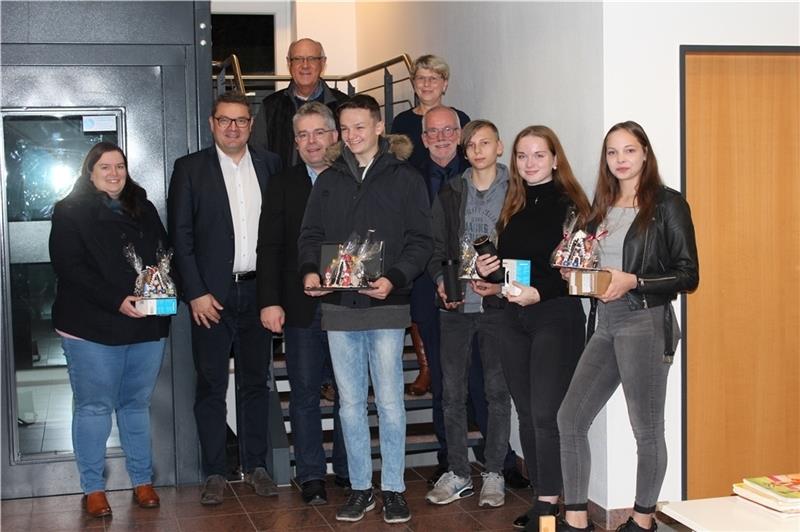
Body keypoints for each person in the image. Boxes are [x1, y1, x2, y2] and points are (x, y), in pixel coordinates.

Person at [556, 121, 699, 532]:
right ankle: (577, 518)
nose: (620, 160)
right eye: (612, 152)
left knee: (646, 428)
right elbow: (591, 266)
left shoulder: (668, 205)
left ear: (645, 155)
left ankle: (642, 519)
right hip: (606, 323)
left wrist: (633, 280)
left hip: (646, 321)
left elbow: (688, 275)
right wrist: (577, 273)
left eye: (629, 151)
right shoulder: (598, 209)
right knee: (571, 418)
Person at [298, 94, 432, 524]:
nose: (353, 135)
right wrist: (310, 274)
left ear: (378, 127)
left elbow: (420, 241)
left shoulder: (405, 178)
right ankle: (360, 487)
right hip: (339, 306)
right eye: (346, 128)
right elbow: (310, 236)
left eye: (361, 126)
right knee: (350, 404)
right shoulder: (328, 180)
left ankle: (392, 487)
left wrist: (394, 276)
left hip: (387, 303)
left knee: (390, 401)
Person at [167, 92, 282, 505]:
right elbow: (180, 236)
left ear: (251, 125)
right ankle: (215, 471)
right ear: (212, 123)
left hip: (259, 293)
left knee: (256, 383)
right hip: (210, 298)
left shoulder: (271, 165)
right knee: (212, 386)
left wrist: (276, 295)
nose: (233, 128)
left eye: (241, 120)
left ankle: (257, 466)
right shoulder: (190, 169)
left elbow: (280, 234)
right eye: (225, 120)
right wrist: (194, 292)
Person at [474, 126, 590, 531]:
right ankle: (543, 495)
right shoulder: (514, 205)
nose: (529, 163)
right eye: (522, 156)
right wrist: (489, 273)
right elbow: (512, 264)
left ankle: (548, 505)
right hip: (512, 316)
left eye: (538, 155)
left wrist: (540, 292)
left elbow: (579, 271)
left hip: (555, 315)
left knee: (546, 414)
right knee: (525, 412)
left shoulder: (573, 206)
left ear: (556, 159)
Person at [50, 142, 171, 517]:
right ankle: (93, 488)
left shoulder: (144, 208)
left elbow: (163, 255)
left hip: (145, 325)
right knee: (94, 407)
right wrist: (117, 299)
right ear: (90, 172)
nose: (114, 173)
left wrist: (164, 286)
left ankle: (141, 480)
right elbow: (70, 268)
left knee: (135, 405)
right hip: (92, 327)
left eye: (119, 166)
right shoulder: (70, 211)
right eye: (105, 167)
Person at [417, 106, 527, 489]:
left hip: (499, 308)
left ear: (499, 148)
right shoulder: (451, 192)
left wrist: (504, 285)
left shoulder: (518, 192)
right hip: (456, 306)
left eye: (485, 143)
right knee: (452, 392)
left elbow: (528, 255)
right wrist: (439, 280)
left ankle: (495, 471)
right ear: (465, 152)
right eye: (471, 146)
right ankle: (458, 472)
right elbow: (433, 247)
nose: (477, 150)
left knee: (498, 392)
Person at [256, 101, 349, 505]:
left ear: (335, 136)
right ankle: (312, 475)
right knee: (305, 393)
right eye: (303, 135)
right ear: (295, 142)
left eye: (319, 133)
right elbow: (270, 247)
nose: (312, 142)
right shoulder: (282, 183)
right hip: (299, 306)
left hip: (350, 304)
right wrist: (269, 301)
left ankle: (349, 470)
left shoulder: (354, 179)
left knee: (349, 391)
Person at [251, 38, 349, 167]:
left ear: (323, 63)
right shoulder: (270, 106)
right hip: (285, 185)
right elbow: (258, 155)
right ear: (289, 63)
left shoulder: (344, 106)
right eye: (297, 59)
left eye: (312, 58)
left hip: (334, 185)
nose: (305, 65)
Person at [391, 54, 470, 171]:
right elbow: (395, 165)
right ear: (413, 83)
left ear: (445, 84)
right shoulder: (401, 121)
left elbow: (468, 160)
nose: (426, 84)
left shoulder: (460, 119)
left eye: (433, 78)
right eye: (421, 78)